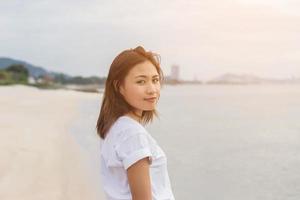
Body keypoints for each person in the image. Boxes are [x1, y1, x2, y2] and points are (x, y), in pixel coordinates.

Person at [96, 46, 175, 200]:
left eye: (155, 80)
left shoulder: (114, 126)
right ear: (119, 87)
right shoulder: (132, 133)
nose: (152, 89)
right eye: (141, 81)